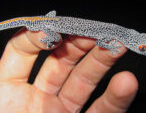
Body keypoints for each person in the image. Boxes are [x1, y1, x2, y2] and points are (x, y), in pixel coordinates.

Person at [0, 28, 138, 113]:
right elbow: (100, 42)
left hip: (53, 23)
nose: (142, 50)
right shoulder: (116, 34)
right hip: (52, 25)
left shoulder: (117, 32)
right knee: (52, 39)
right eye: (142, 48)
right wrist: (112, 47)